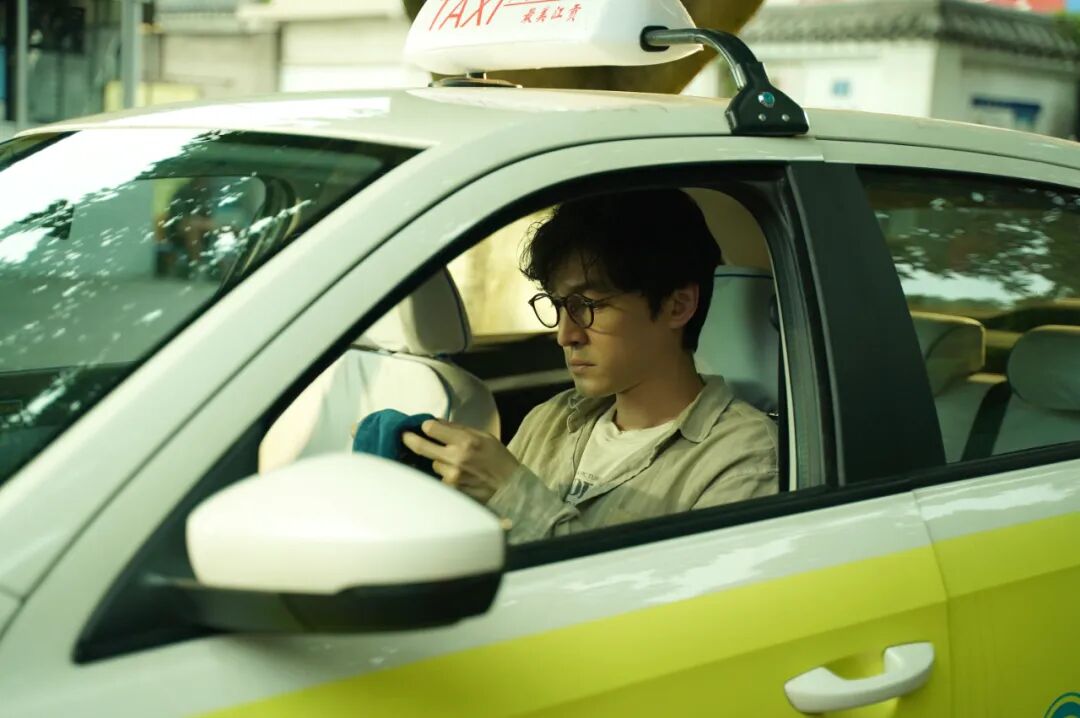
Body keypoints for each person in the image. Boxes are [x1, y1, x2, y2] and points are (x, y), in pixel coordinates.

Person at [402, 189, 779, 543]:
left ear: (677, 306)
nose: (565, 335)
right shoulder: (550, 419)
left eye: (589, 306)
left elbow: (673, 592)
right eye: (559, 305)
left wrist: (513, 493)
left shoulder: (744, 458)